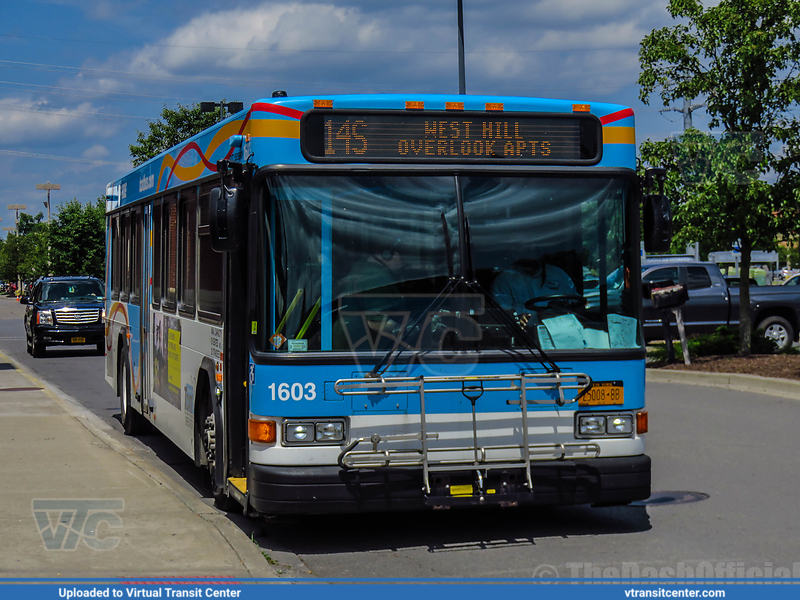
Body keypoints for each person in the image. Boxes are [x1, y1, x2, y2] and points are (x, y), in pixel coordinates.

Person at [490, 258, 577, 316]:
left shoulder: (558, 274)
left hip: (561, 336)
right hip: (524, 338)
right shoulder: (504, 280)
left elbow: (577, 305)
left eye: (531, 244)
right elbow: (504, 318)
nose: (528, 248)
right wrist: (519, 319)